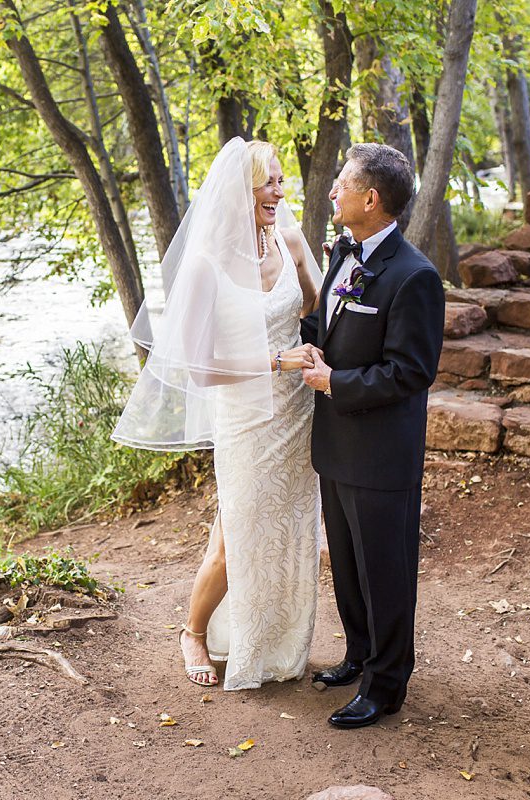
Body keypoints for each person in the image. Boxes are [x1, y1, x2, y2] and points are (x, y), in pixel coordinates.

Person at [112, 137, 323, 691]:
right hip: (244, 418)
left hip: (295, 413)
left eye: (280, 181)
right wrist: (277, 357)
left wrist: (305, 347)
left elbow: (313, 303)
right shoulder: (207, 264)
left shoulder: (291, 239)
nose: (279, 191)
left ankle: (274, 639)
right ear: (239, 190)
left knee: (290, 528)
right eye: (269, 182)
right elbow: (199, 370)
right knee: (233, 540)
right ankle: (193, 631)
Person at [281, 143, 445, 728]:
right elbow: (329, 322)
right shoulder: (344, 255)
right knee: (348, 565)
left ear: (370, 198)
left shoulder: (415, 276)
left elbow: (411, 371)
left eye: (342, 184)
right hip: (336, 446)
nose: (332, 192)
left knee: (385, 571)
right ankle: (358, 654)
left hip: (381, 454)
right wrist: (302, 340)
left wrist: (333, 381)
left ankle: (387, 684)